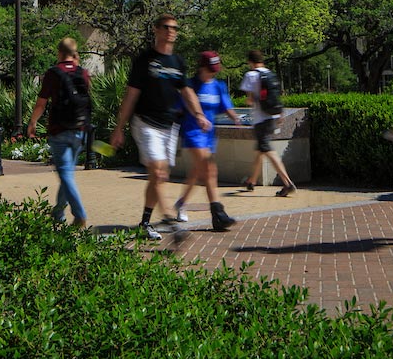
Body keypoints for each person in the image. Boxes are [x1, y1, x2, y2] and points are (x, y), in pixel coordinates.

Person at [109, 14, 212, 241]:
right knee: (156, 171)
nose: (171, 31)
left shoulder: (177, 62)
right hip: (145, 122)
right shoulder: (144, 60)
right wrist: (119, 128)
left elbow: (187, 92)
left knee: (159, 177)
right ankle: (168, 219)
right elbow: (131, 95)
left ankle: (145, 223)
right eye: (166, 27)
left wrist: (199, 115)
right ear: (156, 30)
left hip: (169, 126)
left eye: (174, 28)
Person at [27, 38, 92, 229]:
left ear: (59, 53)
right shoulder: (83, 73)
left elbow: (42, 102)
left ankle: (80, 214)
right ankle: (57, 213)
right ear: (75, 53)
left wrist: (32, 122)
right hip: (80, 130)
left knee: (65, 174)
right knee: (67, 174)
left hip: (59, 130)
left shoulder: (53, 73)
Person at [172, 52, 240, 231]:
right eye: (210, 69)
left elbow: (226, 106)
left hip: (209, 133)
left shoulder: (218, 86)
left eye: (215, 70)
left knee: (197, 171)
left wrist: (235, 118)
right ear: (201, 67)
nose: (213, 73)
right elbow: (178, 107)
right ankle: (217, 213)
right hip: (193, 130)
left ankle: (181, 203)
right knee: (209, 168)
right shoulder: (190, 85)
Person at [239, 50, 297, 197]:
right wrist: (280, 113)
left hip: (261, 119)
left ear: (250, 62)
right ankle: (251, 181)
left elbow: (250, 99)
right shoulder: (270, 74)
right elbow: (276, 95)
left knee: (268, 150)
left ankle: (287, 183)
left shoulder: (251, 75)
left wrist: (250, 100)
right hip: (273, 115)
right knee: (260, 149)